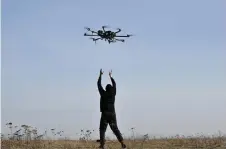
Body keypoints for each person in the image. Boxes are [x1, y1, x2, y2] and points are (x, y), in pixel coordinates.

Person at [97, 69, 126, 149]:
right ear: (112, 89)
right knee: (115, 129)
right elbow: (115, 84)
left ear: (106, 89)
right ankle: (122, 143)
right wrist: (111, 76)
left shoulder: (103, 93)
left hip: (105, 114)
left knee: (102, 129)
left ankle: (102, 145)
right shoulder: (113, 93)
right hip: (112, 113)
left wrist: (100, 75)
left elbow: (98, 85)